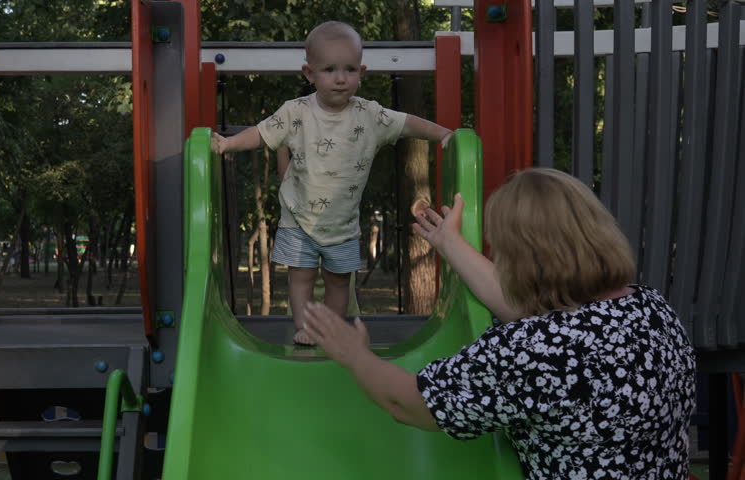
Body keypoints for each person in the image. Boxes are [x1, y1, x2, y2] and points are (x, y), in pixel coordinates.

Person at [302, 168, 696, 479]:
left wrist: (355, 355)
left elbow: (408, 403)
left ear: (521, 258)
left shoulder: (534, 349)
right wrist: (450, 242)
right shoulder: (650, 307)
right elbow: (542, 321)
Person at [212, 21, 452, 346]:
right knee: (301, 277)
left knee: (339, 281)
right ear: (309, 73)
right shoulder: (295, 112)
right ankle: (305, 327)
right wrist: (228, 144)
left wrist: (443, 135)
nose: (340, 78)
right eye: (329, 70)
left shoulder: (370, 115)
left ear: (361, 71)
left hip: (342, 223)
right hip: (298, 218)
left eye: (350, 69)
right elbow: (260, 132)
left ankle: (333, 330)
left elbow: (408, 123)